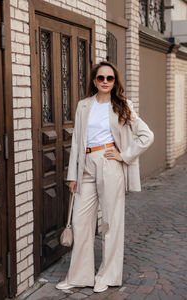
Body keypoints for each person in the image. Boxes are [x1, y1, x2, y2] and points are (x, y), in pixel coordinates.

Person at [56, 61, 154, 293]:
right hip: (85, 166)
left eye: (110, 79)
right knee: (80, 221)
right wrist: (73, 175)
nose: (105, 82)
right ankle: (80, 276)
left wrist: (124, 155)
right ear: (93, 81)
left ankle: (107, 276)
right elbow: (77, 142)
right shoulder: (83, 106)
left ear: (115, 82)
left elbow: (146, 135)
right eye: (101, 78)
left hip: (109, 163)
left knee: (110, 222)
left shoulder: (122, 105)